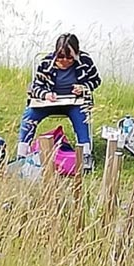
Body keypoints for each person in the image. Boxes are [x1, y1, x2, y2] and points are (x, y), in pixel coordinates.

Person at [17, 34, 101, 172]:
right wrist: (46, 94)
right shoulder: (46, 63)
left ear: (76, 54)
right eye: (61, 57)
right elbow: (34, 87)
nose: (65, 61)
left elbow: (96, 80)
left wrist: (84, 87)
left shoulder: (85, 62)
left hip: (74, 102)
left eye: (70, 58)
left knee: (82, 116)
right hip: (49, 103)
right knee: (30, 114)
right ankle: (22, 153)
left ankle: (85, 154)